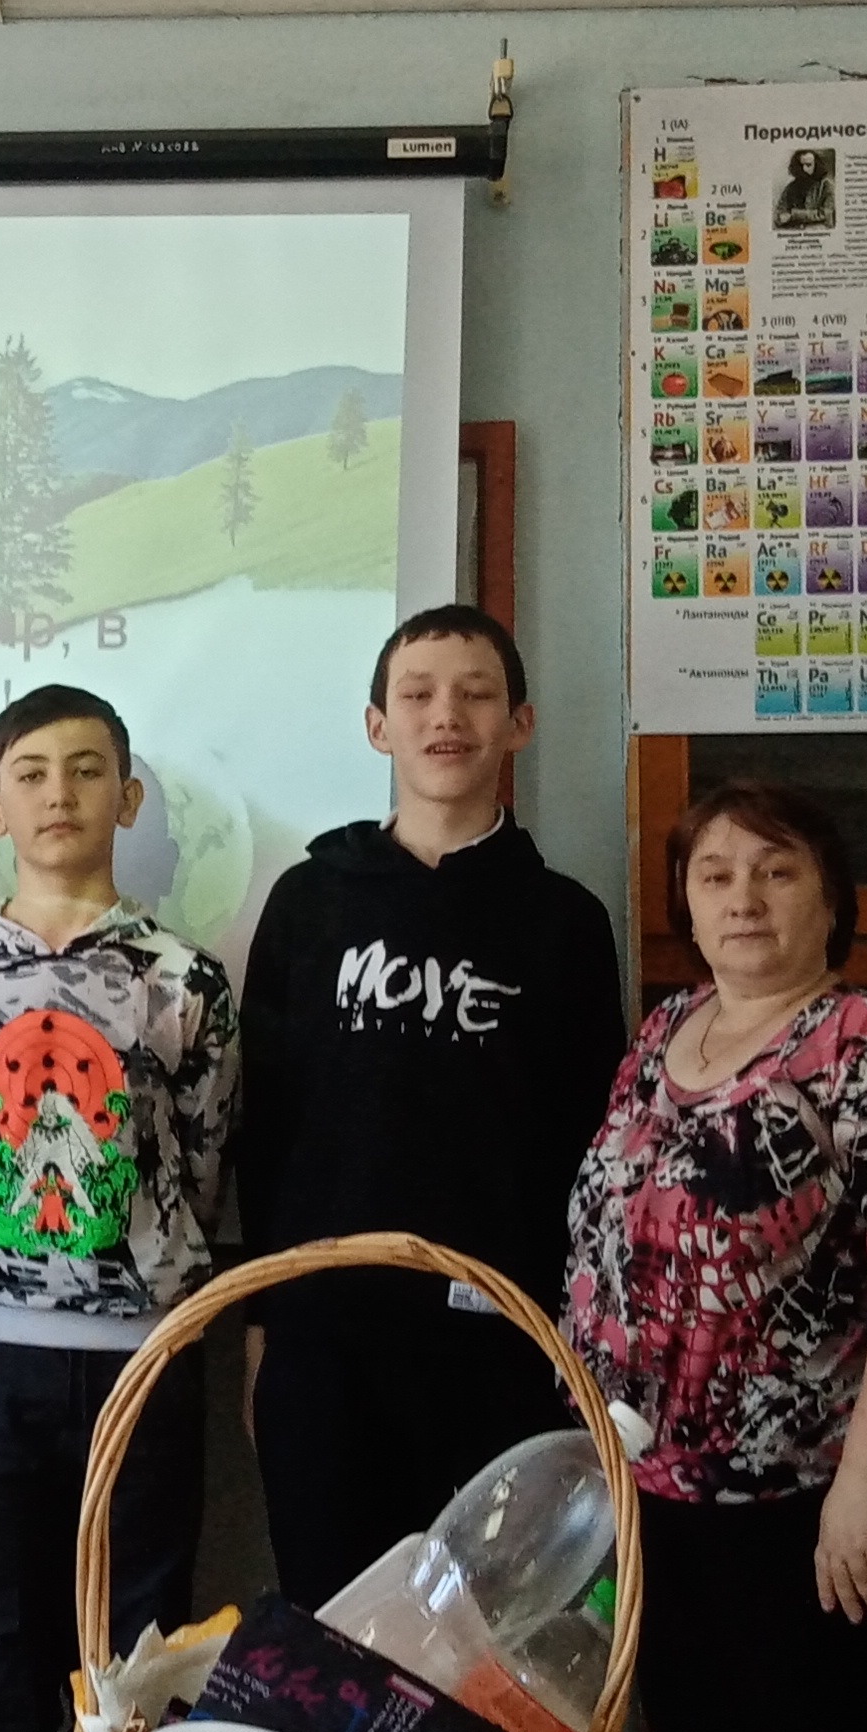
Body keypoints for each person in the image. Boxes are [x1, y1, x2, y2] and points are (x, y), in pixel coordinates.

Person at [562, 779, 867, 1732]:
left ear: (830, 899)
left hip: (808, 1505)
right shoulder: (664, 1032)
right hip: (654, 1498)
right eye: (715, 876)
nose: (743, 898)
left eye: (776, 872)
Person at [0, 685, 235, 1732]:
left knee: (133, 1651)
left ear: (126, 798)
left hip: (142, 1356)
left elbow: (203, 1157)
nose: (60, 794)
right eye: (32, 773)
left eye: (87, 770)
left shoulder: (183, 977)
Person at [236, 605, 627, 1611]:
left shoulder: (566, 923)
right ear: (378, 727)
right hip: (323, 1340)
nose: (444, 716)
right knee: (332, 1626)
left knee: (484, 1640)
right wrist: (261, 1326)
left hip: (502, 1346)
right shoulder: (306, 902)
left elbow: (594, 1152)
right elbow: (265, 1126)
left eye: (474, 694)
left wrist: (575, 1345)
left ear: (518, 724)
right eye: (416, 695)